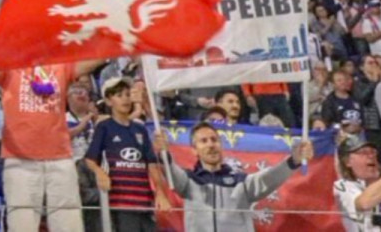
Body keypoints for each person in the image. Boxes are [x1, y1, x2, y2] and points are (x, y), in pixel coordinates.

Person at [0, 53, 104, 231]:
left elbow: (94, 59)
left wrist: (121, 39)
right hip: (20, 159)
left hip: (60, 158)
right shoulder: (10, 66)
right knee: (22, 225)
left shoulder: (60, 65)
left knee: (69, 224)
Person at [162, 121, 314, 232]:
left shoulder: (240, 181)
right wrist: (163, 152)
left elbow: (266, 179)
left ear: (221, 145)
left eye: (214, 140)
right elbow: (171, 172)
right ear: (194, 150)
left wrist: (294, 161)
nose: (211, 144)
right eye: (203, 141)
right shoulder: (188, 181)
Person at [86, 78, 170, 232]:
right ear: (108, 101)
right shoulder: (104, 127)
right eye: (119, 95)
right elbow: (90, 159)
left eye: (127, 94)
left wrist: (160, 193)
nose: (125, 99)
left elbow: (151, 164)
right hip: (120, 203)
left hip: (145, 202)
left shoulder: (140, 129)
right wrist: (100, 173)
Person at [321, 69, 364, 136]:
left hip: (360, 135)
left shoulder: (356, 98)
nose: (343, 82)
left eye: (345, 79)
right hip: (340, 136)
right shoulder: (329, 102)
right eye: (339, 80)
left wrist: (360, 127)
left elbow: (364, 117)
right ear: (333, 84)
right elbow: (327, 123)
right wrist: (343, 128)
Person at [66, 83, 96, 161]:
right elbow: (60, 139)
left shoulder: (95, 119)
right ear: (68, 98)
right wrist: (81, 126)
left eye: (85, 93)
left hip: (93, 163)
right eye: (77, 92)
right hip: (71, 162)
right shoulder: (62, 119)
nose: (82, 95)